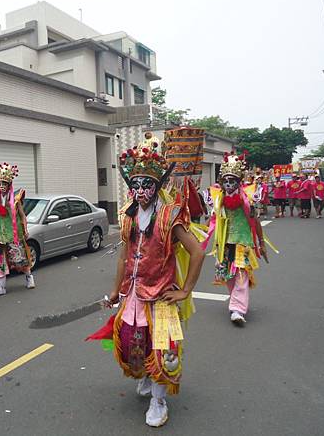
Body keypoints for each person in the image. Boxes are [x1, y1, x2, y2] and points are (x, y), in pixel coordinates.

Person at [88, 134, 205, 428]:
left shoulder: (168, 215)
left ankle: (159, 400)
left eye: (147, 184)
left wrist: (186, 291)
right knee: (130, 343)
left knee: (164, 352)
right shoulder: (127, 217)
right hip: (133, 295)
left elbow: (197, 252)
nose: (140, 190)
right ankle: (146, 377)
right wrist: (116, 290)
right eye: (136, 184)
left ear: (158, 185)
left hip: (162, 296)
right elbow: (123, 257)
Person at [203, 151, 270, 325]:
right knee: (228, 275)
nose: (228, 184)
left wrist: (261, 243)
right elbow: (212, 220)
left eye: (232, 181)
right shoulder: (217, 198)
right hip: (224, 242)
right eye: (225, 181)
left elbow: (255, 221)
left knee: (240, 274)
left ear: (239, 182)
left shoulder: (248, 198)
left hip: (242, 241)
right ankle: (236, 301)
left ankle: (237, 309)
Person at [0, 163, 35, 297]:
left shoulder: (15, 199)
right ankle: (1, 287)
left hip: (15, 236)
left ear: (9, 185)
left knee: (21, 259)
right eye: (0, 183)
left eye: (4, 183)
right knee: (0, 261)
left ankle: (29, 278)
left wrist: (25, 229)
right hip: (2, 237)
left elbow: (22, 215)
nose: (2, 186)